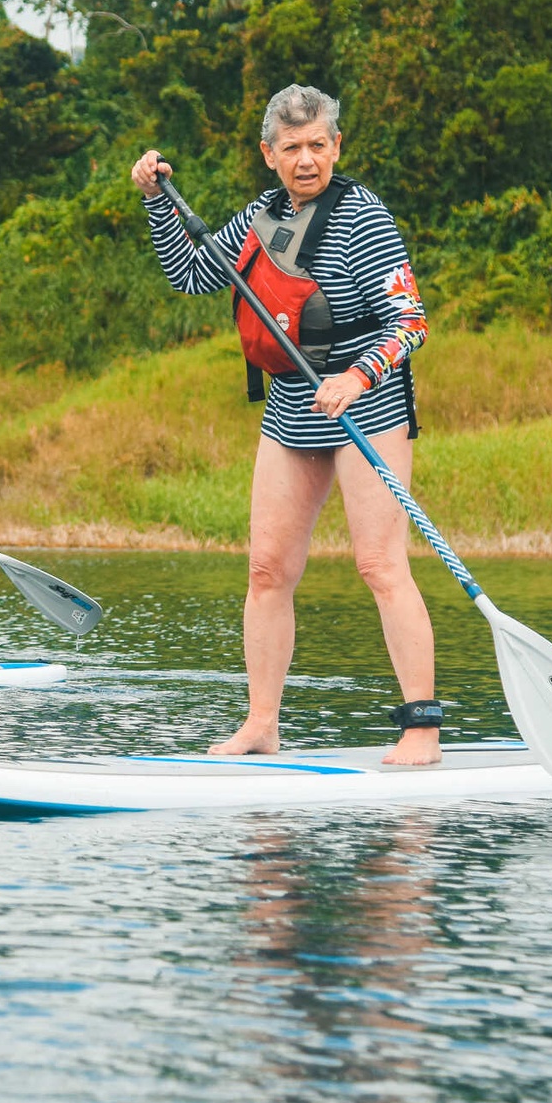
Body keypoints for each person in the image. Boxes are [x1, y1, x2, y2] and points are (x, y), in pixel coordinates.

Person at [131, 84, 436, 762]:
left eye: (318, 146)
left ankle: (421, 730)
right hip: (291, 403)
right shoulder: (256, 219)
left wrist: (357, 376)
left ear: (337, 147)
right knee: (267, 569)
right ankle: (261, 724)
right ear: (269, 155)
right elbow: (188, 274)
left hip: (369, 402)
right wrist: (156, 202)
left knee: (380, 564)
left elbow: (410, 323)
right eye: (292, 148)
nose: (307, 160)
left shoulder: (364, 219)